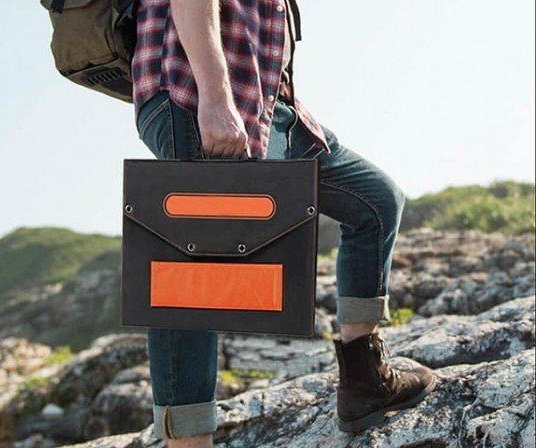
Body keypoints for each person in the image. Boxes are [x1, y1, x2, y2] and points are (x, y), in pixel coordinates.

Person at [131, 0, 437, 446]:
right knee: (192, 278)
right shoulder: (206, 97)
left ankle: (365, 379)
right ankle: (189, 442)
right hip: (196, 96)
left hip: (271, 111)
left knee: (375, 200)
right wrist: (214, 98)